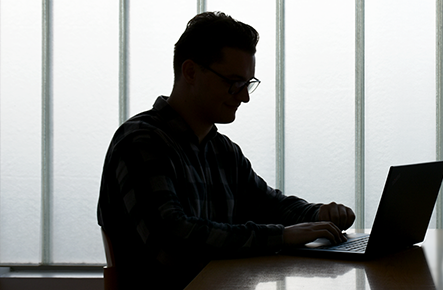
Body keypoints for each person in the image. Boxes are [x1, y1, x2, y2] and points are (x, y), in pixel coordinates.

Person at [97, 11, 355, 289]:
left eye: (248, 84)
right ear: (191, 71)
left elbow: (270, 205)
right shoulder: (141, 141)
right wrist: (282, 236)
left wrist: (320, 216)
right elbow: (173, 241)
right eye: (234, 83)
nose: (244, 96)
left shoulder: (222, 150)